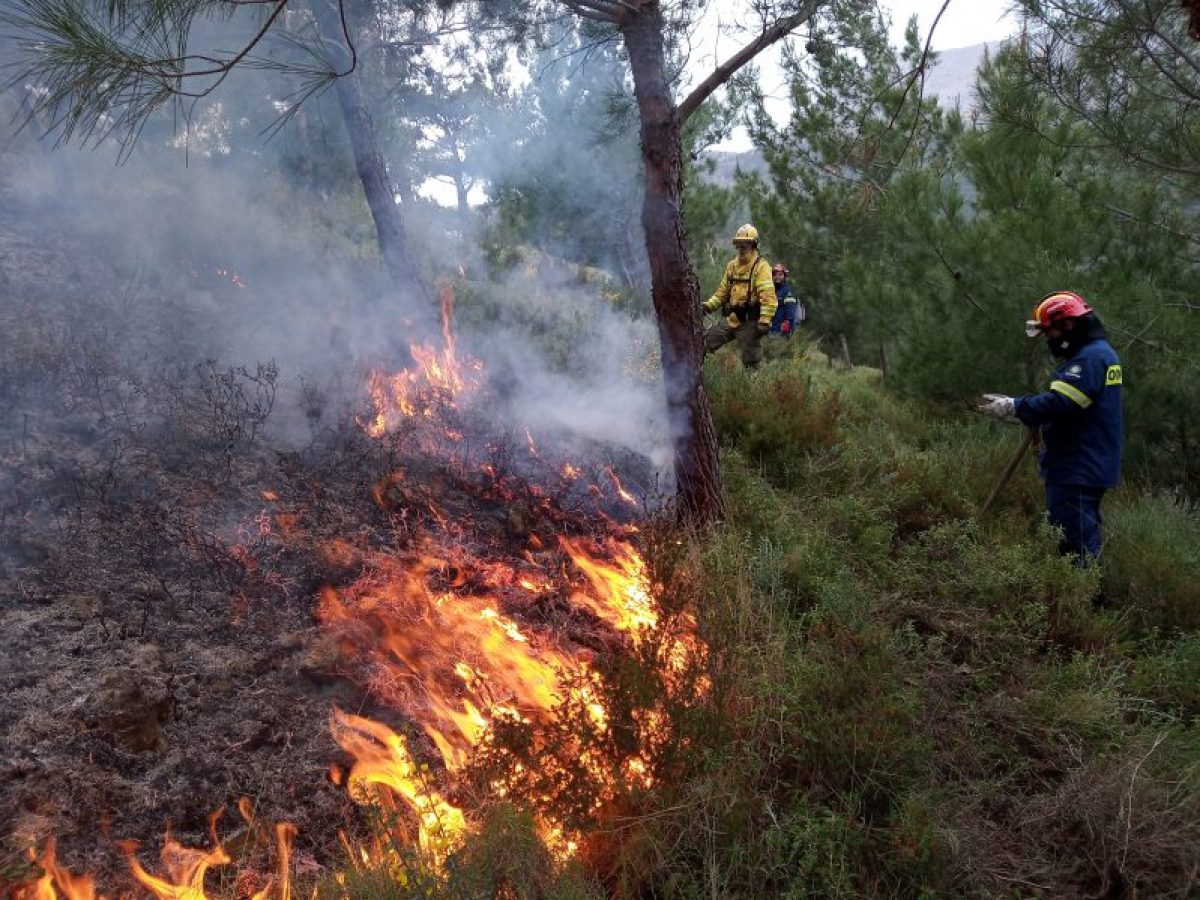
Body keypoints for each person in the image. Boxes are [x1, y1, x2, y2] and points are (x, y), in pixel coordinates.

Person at [978, 291, 1123, 563]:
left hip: (1078, 466)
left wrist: (1015, 406)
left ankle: (1086, 601)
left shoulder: (1089, 359)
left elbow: (1062, 403)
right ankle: (1084, 597)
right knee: (1078, 537)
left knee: (1075, 545)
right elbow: (1074, 406)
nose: (1050, 340)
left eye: (1050, 332)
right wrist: (1026, 411)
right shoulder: (1098, 354)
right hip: (1085, 463)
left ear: (1068, 325)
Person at [700, 224, 777, 368]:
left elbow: (768, 295)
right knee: (703, 343)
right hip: (733, 320)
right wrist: (707, 306)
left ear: (753, 245)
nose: (741, 248)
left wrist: (765, 321)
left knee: (751, 361)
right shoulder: (732, 266)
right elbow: (722, 292)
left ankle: (752, 385)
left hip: (751, 322)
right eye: (738, 244)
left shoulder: (761, 267)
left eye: (745, 244)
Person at [768, 263, 805, 338]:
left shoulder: (788, 291)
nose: (777, 277)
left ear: (784, 276)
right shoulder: (771, 290)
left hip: (783, 331)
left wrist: (787, 324)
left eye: (780, 274)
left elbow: (790, 311)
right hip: (772, 329)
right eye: (775, 275)